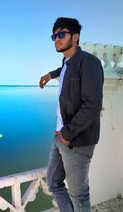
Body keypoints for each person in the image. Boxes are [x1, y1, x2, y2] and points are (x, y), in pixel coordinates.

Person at [39, 17, 104, 212]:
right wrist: (50, 75)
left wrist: (68, 133)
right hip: (60, 135)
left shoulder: (89, 63)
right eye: (54, 36)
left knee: (79, 195)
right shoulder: (67, 62)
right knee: (53, 182)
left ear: (75, 37)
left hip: (76, 139)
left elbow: (92, 106)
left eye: (61, 34)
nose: (56, 39)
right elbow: (65, 69)